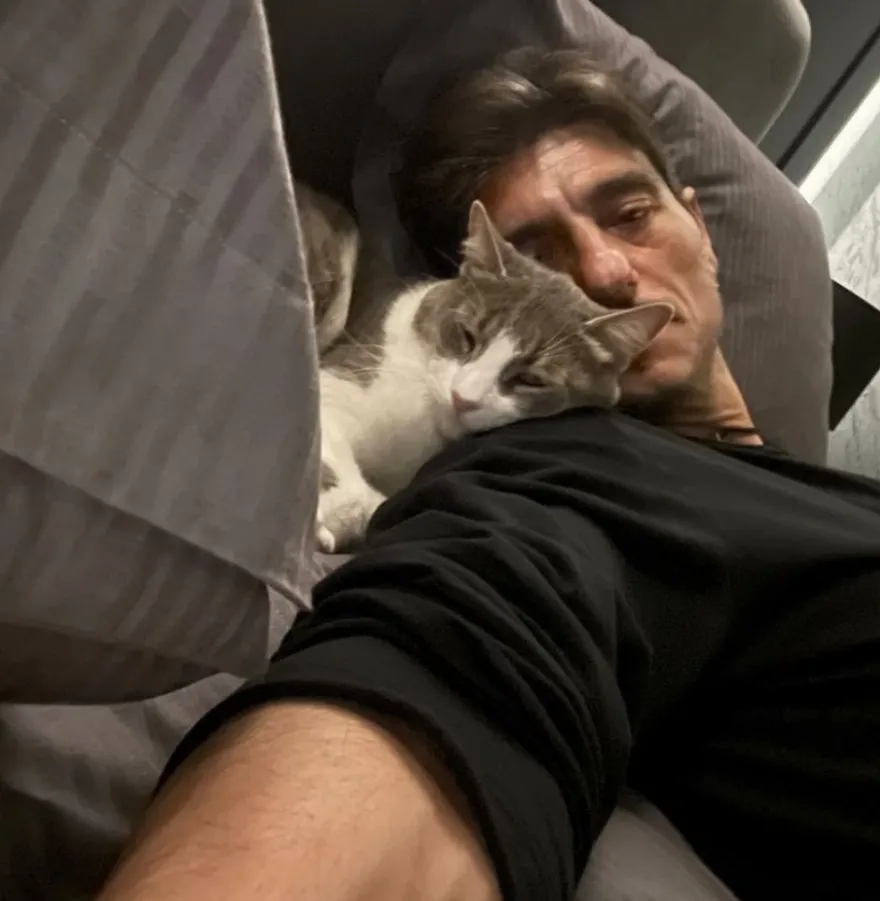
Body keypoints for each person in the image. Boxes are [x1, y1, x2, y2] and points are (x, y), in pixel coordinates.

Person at [97, 49, 880, 901]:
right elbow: (456, 645)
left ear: (701, 227)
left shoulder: (826, 494)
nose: (605, 274)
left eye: (629, 214)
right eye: (539, 254)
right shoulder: (576, 470)